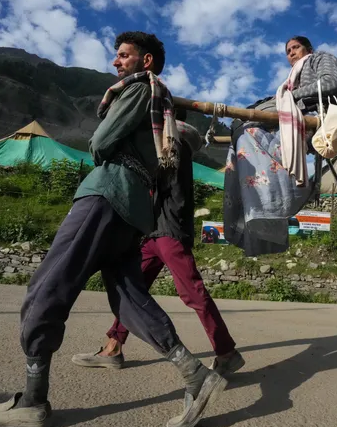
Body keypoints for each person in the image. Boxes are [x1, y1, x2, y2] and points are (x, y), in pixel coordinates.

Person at [0, 31, 227, 427]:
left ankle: (32, 398)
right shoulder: (162, 106)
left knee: (49, 285)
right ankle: (196, 375)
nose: (116, 62)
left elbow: (100, 142)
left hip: (105, 194)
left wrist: (102, 144)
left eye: (124, 55)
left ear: (144, 61)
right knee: (129, 298)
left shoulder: (138, 90)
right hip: (133, 213)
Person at [71, 128, 245, 375]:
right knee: (132, 290)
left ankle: (226, 351)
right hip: (153, 235)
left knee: (193, 293)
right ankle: (113, 346)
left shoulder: (178, 151)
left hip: (170, 232)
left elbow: (162, 183)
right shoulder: (166, 152)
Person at [223, 35, 337, 256]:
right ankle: (262, 200)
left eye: (295, 48)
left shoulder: (321, 58)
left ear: (308, 48)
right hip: (292, 115)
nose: (291, 53)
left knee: (246, 129)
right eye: (288, 51)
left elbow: (331, 83)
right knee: (239, 135)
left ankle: (276, 198)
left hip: (312, 115)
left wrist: (288, 97)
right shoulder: (292, 76)